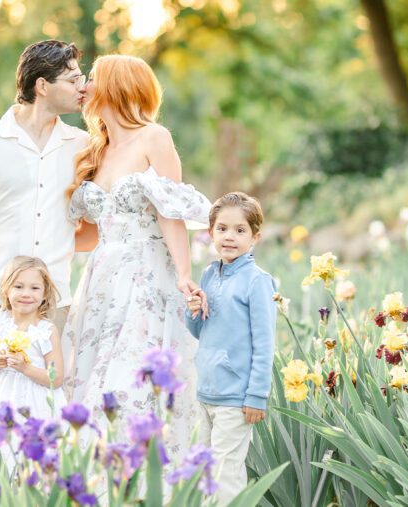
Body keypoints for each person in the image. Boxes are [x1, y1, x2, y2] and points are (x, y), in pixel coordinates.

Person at [62, 54, 211, 457]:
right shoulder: (96, 149)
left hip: (147, 274)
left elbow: (171, 212)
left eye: (91, 78)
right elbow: (89, 237)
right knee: (92, 378)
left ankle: (148, 473)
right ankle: (104, 475)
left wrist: (183, 274)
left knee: (132, 377)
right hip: (101, 279)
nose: (84, 86)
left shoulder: (154, 138)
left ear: (115, 85)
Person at [0, 40, 88, 433]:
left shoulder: (82, 144)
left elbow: (92, 224)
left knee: (46, 413)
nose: (83, 86)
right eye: (74, 79)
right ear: (42, 86)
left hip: (52, 301)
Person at [185, 192, 276, 503]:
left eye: (240, 230)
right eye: (222, 228)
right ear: (210, 233)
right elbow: (199, 330)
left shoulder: (257, 281)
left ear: (255, 237)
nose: (229, 237)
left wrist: (257, 396)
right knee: (205, 473)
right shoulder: (210, 274)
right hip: (206, 389)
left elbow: (265, 344)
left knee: (226, 476)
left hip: (236, 397)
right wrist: (193, 310)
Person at [0, 256, 67, 420]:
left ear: (45, 294)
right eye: (18, 286)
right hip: (3, 397)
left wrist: (25, 368)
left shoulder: (46, 331)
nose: (26, 294)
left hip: (36, 403)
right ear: (6, 290)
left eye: (34, 288)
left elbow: (57, 378)